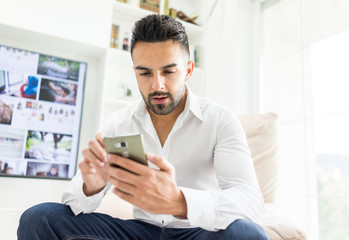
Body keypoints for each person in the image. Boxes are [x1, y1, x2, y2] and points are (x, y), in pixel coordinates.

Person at [17, 14, 269, 240]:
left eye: (169, 71)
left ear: (189, 70)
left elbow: (250, 204)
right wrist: (90, 186)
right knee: (37, 218)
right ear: (135, 72)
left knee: (248, 234)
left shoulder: (220, 120)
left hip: (196, 232)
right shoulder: (119, 122)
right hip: (137, 232)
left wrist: (179, 202)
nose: (157, 85)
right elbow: (73, 201)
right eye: (145, 73)